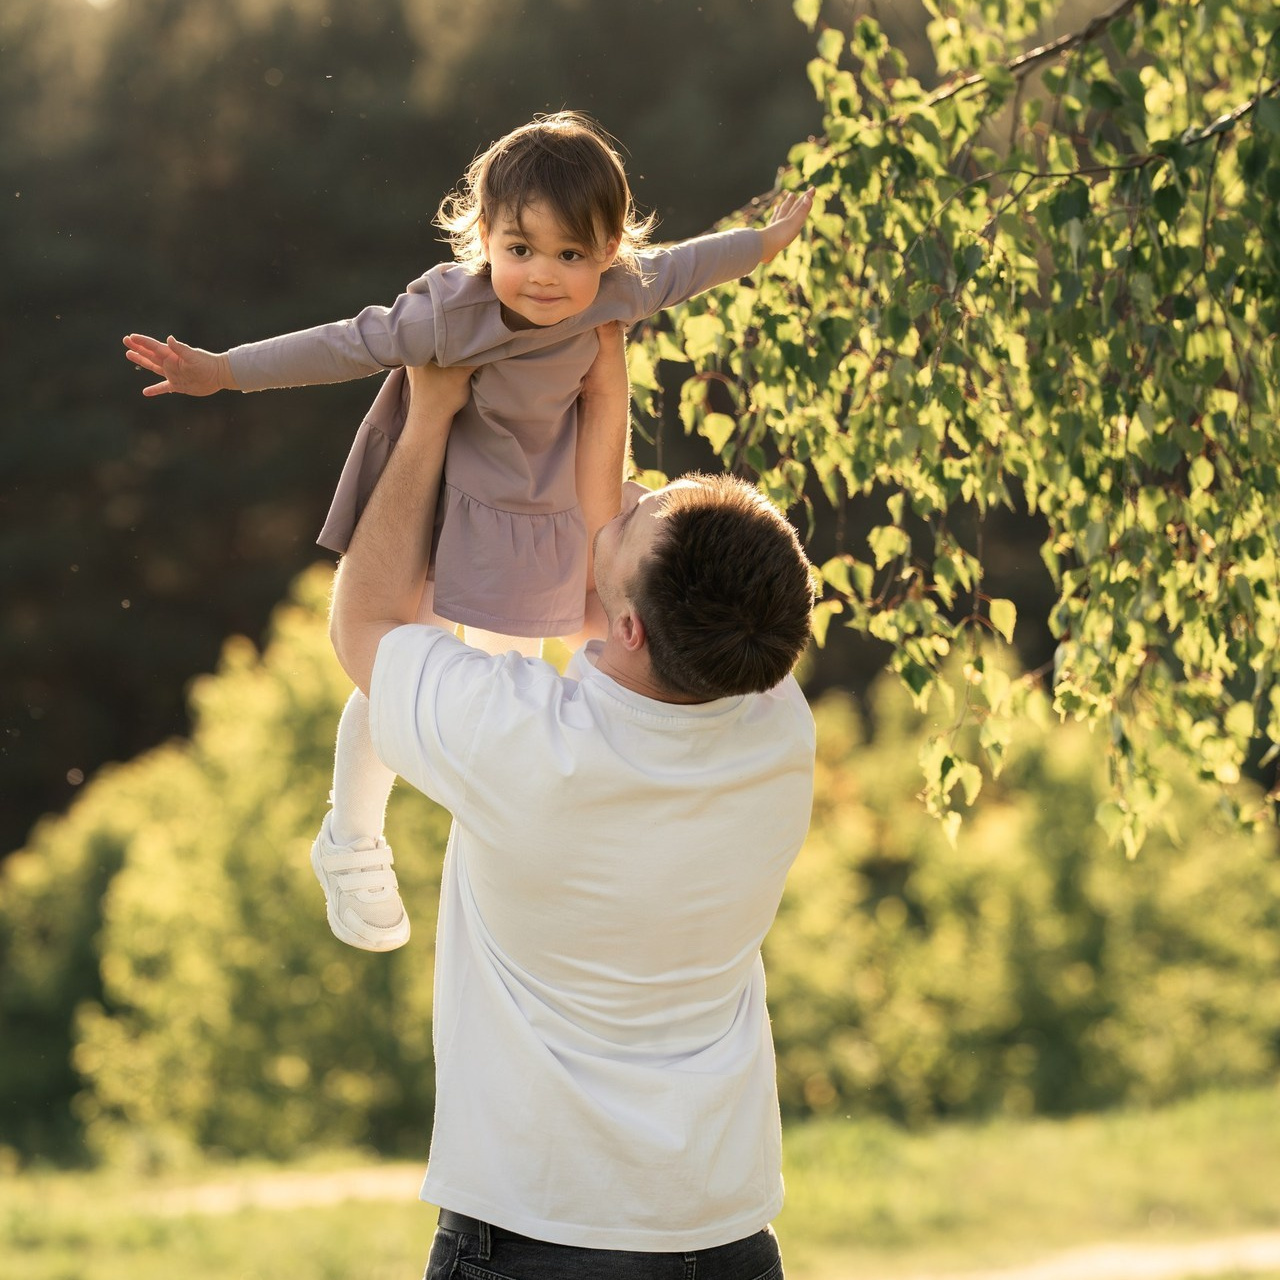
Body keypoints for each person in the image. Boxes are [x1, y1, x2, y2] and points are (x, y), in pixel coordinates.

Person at [122, 111, 814, 954]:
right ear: (482, 237)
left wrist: (765, 243)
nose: (545, 278)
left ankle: (499, 833)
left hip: (545, 504)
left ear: (609, 250)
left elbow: (691, 265)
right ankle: (351, 832)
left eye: (572, 255)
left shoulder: (622, 288)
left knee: (509, 677)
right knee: (399, 661)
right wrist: (223, 372)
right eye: (519, 250)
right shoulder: (452, 312)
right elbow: (347, 344)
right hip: (449, 497)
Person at [329, 323, 816, 1278]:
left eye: (635, 519)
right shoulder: (775, 727)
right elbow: (626, 592)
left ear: (633, 627)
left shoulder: (525, 749)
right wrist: (604, 372)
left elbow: (366, 622)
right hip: (724, 1235)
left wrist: (428, 421)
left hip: (539, 1237)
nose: (622, 504)